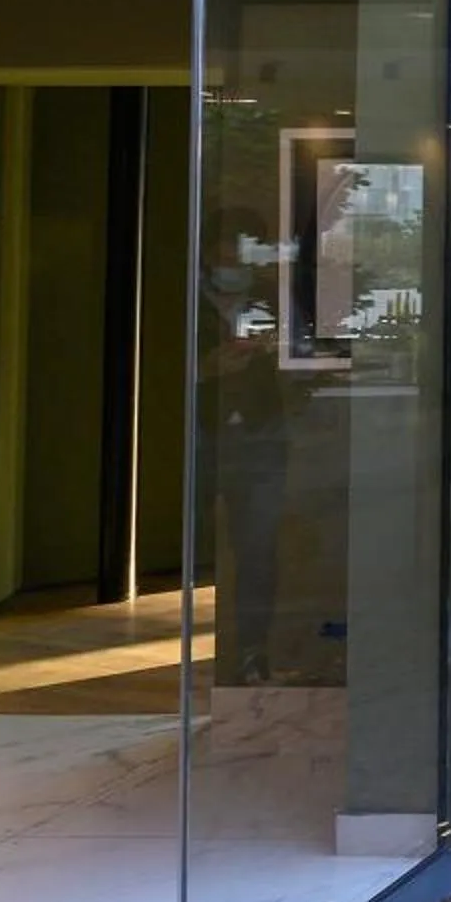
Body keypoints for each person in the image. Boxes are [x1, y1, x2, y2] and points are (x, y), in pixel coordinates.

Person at [201, 207, 291, 684]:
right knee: (198, 543)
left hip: (262, 436)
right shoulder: (184, 298)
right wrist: (206, 369)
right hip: (201, 433)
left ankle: (253, 651)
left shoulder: (269, 299)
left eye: (247, 249)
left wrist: (276, 352)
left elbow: (302, 363)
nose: (237, 258)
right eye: (230, 247)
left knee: (258, 547)